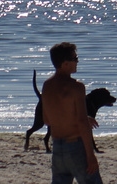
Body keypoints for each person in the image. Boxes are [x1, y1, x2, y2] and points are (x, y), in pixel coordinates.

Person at [41, 42, 102, 184]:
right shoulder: (76, 87)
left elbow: (47, 119)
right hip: (75, 147)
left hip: (57, 147)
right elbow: (81, 123)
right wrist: (90, 155)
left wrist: (79, 118)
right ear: (65, 63)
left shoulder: (47, 85)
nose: (77, 62)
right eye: (75, 58)